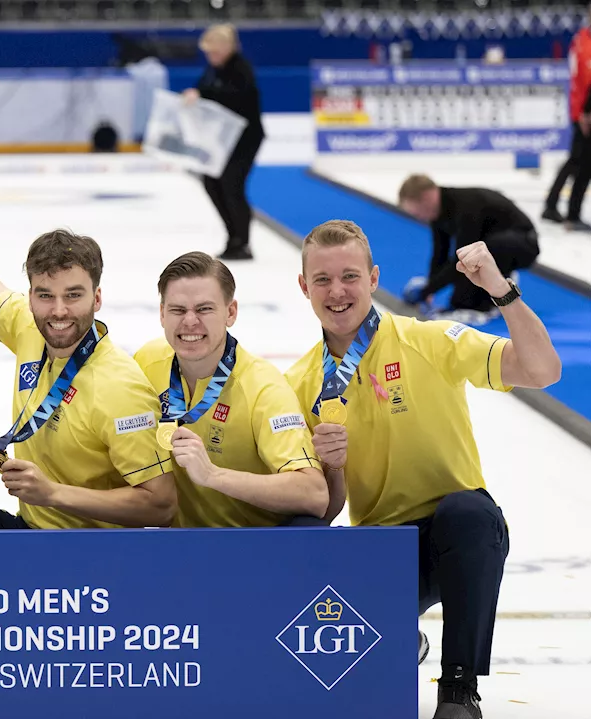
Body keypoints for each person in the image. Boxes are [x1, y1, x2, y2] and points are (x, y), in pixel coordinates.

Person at [285, 220, 561, 719]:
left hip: (457, 536)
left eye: (349, 276)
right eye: (322, 280)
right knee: (300, 534)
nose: (337, 291)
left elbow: (543, 370)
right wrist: (332, 469)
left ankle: (458, 692)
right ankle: (396, 630)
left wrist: (500, 290)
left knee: (467, 512)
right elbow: (327, 509)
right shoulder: (298, 383)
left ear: (373, 278)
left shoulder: (428, 340)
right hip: (385, 552)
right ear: (304, 287)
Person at [0, 218, 177, 531]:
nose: (58, 311)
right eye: (45, 296)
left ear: (96, 298)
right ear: (29, 298)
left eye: (73, 295)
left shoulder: (120, 388)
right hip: (32, 531)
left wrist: (53, 494)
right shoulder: (31, 329)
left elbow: (160, 504)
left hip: (92, 551)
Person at [133, 252, 327, 528]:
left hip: (252, 549)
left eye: (204, 309)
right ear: (162, 314)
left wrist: (213, 475)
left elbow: (314, 493)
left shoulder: (262, 387)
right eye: (178, 310)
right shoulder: (146, 362)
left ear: (231, 312)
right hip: (174, 547)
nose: (190, 321)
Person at [398, 175, 540, 325]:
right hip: (501, 241)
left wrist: (429, 292)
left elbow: (462, 260)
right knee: (475, 255)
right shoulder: (439, 211)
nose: (418, 217)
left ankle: (486, 305)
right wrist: (430, 289)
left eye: (416, 213)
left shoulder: (465, 206)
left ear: (427, 197)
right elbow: (440, 253)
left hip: (524, 245)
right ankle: (491, 286)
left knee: (475, 256)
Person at [183, 23, 264, 261]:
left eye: (214, 51)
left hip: (244, 140)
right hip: (222, 141)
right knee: (211, 182)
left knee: (232, 185)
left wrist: (203, 96)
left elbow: (235, 99)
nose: (211, 56)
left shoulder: (241, 69)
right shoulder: (213, 69)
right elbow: (203, 89)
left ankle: (243, 242)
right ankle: (232, 237)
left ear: (226, 47)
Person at [542, 3, 592, 232]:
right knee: (579, 163)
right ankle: (560, 209)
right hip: (584, 113)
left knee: (578, 162)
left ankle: (557, 207)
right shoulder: (581, 43)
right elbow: (579, 83)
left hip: (585, 110)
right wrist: (582, 113)